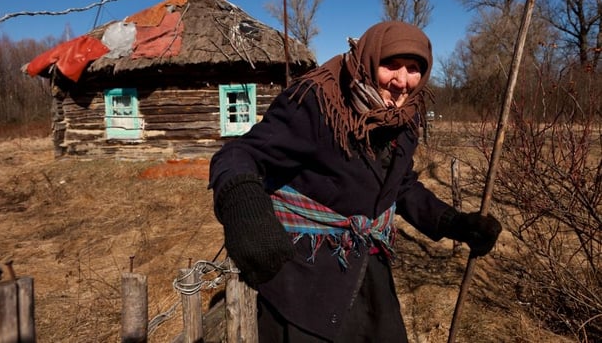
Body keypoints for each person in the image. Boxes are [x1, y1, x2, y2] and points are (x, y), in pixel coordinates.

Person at [209, 21, 502, 342]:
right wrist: (244, 205)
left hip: (368, 269)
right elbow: (239, 154)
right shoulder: (317, 102)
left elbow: (400, 187)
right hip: (304, 274)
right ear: (369, 60)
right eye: (391, 65)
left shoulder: (405, 117)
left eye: (414, 69)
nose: (402, 81)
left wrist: (454, 223)